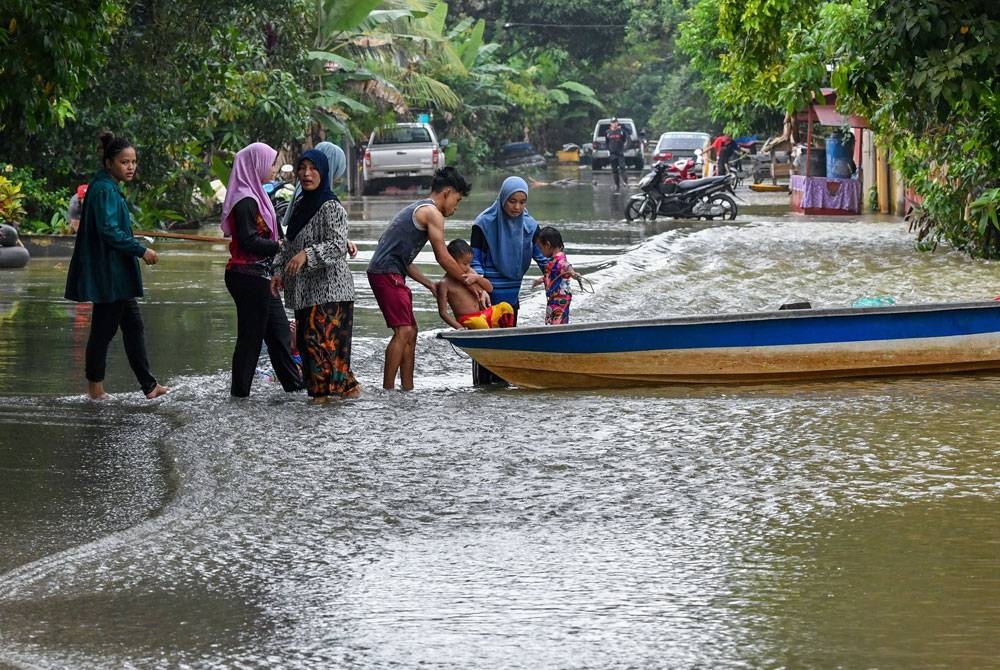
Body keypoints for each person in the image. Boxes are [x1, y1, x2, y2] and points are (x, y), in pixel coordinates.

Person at [64, 131, 169, 401]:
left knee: (133, 327)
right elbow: (108, 231)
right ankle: (96, 391)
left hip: (116, 273)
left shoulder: (107, 187)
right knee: (103, 331)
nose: (131, 167)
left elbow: (111, 228)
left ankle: (149, 386)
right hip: (111, 274)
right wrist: (141, 250)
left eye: (133, 161)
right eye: (125, 162)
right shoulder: (103, 189)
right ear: (109, 162)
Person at [367, 166, 484, 390]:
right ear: (447, 192)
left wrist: (429, 283)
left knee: (412, 331)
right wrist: (470, 280)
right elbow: (443, 257)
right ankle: (388, 390)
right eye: (457, 200)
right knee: (403, 331)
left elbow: (405, 259)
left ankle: (407, 389)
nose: (456, 207)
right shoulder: (432, 213)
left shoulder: (419, 209)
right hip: (386, 273)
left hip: (389, 271)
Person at [271, 147, 360, 404]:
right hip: (306, 292)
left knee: (324, 354)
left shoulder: (331, 206)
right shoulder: (300, 205)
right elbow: (288, 244)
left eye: (313, 169)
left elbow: (337, 245)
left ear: (324, 172)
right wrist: (279, 272)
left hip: (331, 292)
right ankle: (327, 410)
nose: (307, 174)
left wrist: (307, 255)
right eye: (302, 168)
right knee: (314, 353)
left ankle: (323, 417)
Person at [221, 141, 304, 398]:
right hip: (248, 277)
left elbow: (278, 233)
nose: (273, 168)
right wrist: (278, 247)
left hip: (263, 277)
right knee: (250, 339)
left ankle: (294, 388)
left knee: (279, 334)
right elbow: (248, 241)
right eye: (270, 163)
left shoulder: (259, 196)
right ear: (255, 165)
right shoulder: (245, 200)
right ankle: (240, 395)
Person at [469, 176, 548, 320]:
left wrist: (559, 271)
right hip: (487, 296)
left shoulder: (530, 227)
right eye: (512, 201)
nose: (517, 207)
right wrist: (480, 289)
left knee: (509, 331)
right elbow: (475, 260)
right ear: (503, 198)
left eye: (522, 202)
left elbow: (543, 258)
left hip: (512, 293)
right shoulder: (484, 224)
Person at [436, 239, 514, 330]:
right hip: (467, 320)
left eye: (470, 263)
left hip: (483, 315)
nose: (468, 267)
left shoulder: (471, 272)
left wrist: (477, 278)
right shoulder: (444, 284)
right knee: (479, 323)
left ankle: (506, 332)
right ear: (451, 262)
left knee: (505, 307)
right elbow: (443, 313)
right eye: (465, 264)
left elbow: (490, 288)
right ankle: (488, 338)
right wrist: (459, 327)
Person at [531, 226, 577, 325]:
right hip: (553, 297)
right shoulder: (553, 260)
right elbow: (552, 275)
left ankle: (556, 337)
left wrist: (573, 273)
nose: (540, 251)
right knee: (551, 320)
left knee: (557, 322)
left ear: (547, 245)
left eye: (540, 248)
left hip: (560, 299)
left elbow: (566, 266)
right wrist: (541, 280)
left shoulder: (560, 259)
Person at [604, 117, 630, 191]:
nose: (614, 124)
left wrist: (624, 149)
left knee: (622, 168)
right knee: (614, 170)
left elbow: (626, 140)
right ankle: (617, 185)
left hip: (620, 153)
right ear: (610, 124)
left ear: (617, 123)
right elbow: (606, 142)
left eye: (615, 122)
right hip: (612, 153)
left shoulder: (621, 131)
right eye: (613, 122)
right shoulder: (607, 132)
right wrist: (608, 151)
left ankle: (625, 183)